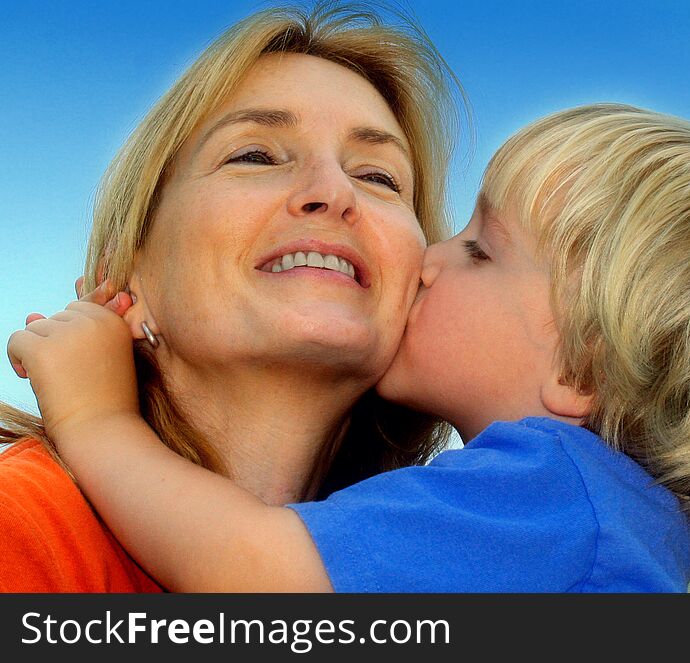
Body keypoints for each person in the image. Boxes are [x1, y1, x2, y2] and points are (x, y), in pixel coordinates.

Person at [10, 104, 690, 592]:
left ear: (579, 370)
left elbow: (259, 576)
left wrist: (94, 416)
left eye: (480, 249)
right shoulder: (603, 528)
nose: (428, 260)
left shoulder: (554, 494)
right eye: (257, 154)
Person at [0, 2, 462, 592]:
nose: (333, 191)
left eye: (378, 177)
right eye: (256, 156)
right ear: (121, 274)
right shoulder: (24, 532)